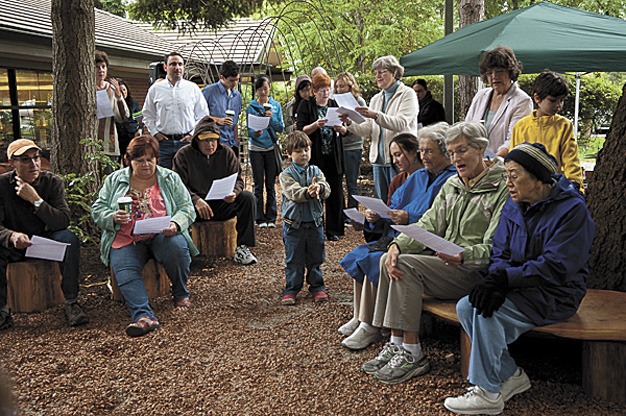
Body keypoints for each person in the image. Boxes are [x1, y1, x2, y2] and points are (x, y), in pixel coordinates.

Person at [443, 142, 595, 415]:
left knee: (487, 314)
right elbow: (500, 250)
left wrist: (506, 280)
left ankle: (488, 393)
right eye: (506, 176)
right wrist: (498, 279)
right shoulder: (514, 205)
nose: (508, 183)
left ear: (538, 179)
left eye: (514, 175)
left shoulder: (572, 210)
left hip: (556, 293)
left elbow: (557, 266)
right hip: (521, 286)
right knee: (467, 306)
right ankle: (511, 375)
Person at [362, 121, 509, 385]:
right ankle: (397, 343)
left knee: (405, 267)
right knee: (390, 257)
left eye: (462, 150)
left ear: (481, 148)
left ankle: (412, 352)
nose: (456, 158)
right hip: (445, 264)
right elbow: (429, 223)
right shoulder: (454, 184)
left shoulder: (500, 189)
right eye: (452, 153)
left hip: (472, 270)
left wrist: (463, 255)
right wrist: (398, 245)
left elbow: (494, 248)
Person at [339, 127, 456, 350]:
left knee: (376, 259)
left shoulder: (450, 180)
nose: (424, 157)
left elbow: (439, 218)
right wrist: (375, 216)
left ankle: (370, 325)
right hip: (397, 235)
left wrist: (408, 216)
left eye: (429, 151)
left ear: (445, 152)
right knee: (362, 253)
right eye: (422, 151)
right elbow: (393, 206)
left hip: (422, 241)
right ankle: (360, 314)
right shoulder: (418, 176)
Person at [91, 135, 197, 337]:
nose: (146, 164)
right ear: (128, 160)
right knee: (124, 269)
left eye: (150, 159)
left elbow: (187, 208)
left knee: (176, 247)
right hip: (126, 239)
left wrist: (175, 223)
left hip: (161, 234)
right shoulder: (115, 180)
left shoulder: (169, 178)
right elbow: (97, 209)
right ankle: (144, 316)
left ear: (157, 159)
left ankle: (181, 293)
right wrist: (112, 216)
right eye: (139, 160)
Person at [0, 139, 89, 330]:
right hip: (13, 245)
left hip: (43, 244)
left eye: (36, 158)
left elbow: (63, 221)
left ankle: (71, 302)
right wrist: (12, 236)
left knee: (69, 239)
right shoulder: (2, 186)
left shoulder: (52, 182)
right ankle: (2, 310)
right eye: (25, 160)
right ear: (11, 162)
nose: (33, 164)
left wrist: (36, 200)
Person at [172, 117, 258, 265]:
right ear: (196, 140)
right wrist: (196, 200)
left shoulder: (227, 153)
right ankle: (184, 251)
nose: (210, 144)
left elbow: (238, 179)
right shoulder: (183, 155)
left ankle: (242, 248)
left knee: (248, 198)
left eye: (213, 140)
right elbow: (177, 186)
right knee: (174, 208)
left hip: (221, 202)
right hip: (194, 207)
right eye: (205, 140)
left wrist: (234, 193)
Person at [342, 55, 419, 201]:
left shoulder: (408, 94)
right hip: (378, 160)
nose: (377, 76)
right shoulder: (376, 98)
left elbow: (400, 123)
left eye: (382, 72)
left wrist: (375, 115)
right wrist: (349, 122)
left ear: (394, 73)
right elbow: (367, 130)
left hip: (400, 159)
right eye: (375, 72)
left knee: (400, 202)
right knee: (382, 204)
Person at [279, 131, 331, 305]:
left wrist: (320, 189)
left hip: (315, 222)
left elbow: (326, 187)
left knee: (316, 257)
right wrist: (307, 192)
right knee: (294, 259)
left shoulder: (316, 171)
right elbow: (293, 192)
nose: (303, 154)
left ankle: (317, 287)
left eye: (306, 150)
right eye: (298, 151)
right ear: (289, 153)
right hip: (294, 225)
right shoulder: (286, 174)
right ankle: (291, 289)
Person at [510, 71, 583, 190]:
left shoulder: (564, 125)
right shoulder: (521, 126)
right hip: (526, 190)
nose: (559, 105)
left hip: (555, 190)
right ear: (537, 98)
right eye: (553, 100)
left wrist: (576, 189)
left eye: (562, 100)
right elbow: (514, 162)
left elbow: (571, 162)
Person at [296, 72, 345, 241]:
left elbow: (346, 129)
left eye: (328, 90)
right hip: (316, 154)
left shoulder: (335, 104)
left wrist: (341, 129)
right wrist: (316, 125)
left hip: (333, 154)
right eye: (322, 90)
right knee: (315, 189)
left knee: (335, 192)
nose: (326, 93)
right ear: (314, 91)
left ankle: (334, 230)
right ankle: (316, 228)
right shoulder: (306, 105)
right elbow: (301, 130)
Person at [142, 52, 209, 169]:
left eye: (180, 64)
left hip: (186, 143)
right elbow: (148, 115)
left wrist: (192, 135)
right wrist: (155, 134)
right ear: (165, 67)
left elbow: (203, 115)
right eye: (173, 64)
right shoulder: (155, 89)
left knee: (186, 180)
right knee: (163, 180)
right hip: (163, 144)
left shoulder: (193, 88)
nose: (177, 67)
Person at [465, 46, 532, 157]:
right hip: (474, 162)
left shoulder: (522, 101)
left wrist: (493, 162)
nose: (494, 76)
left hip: (501, 165)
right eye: (489, 73)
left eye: (499, 71)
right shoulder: (480, 96)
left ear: (510, 72)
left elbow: (513, 141)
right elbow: (466, 129)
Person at [246, 75, 285, 229]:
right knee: (258, 184)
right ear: (256, 90)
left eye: (265, 88)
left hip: (270, 148)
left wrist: (271, 119)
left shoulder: (275, 106)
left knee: (270, 184)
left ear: (269, 88)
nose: (263, 91)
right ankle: (259, 218)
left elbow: (280, 128)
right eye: (260, 88)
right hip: (255, 148)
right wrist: (256, 132)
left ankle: (271, 217)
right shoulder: (251, 107)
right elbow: (249, 131)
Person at [334, 72, 366, 215]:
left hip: (353, 146)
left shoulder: (359, 102)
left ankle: (352, 213)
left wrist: (346, 129)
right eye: (337, 86)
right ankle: (341, 212)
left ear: (350, 85)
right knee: (338, 181)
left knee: (351, 182)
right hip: (339, 146)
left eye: (342, 86)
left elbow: (363, 125)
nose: (339, 89)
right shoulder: (336, 101)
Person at [202, 60, 242, 156]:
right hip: (214, 143)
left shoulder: (237, 95)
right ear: (222, 77)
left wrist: (237, 142)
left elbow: (236, 121)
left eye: (237, 80)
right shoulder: (208, 92)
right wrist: (218, 120)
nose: (235, 83)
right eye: (232, 80)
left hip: (232, 144)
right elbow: (199, 116)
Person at [95, 50, 129, 158]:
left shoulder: (112, 89)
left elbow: (124, 117)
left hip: (109, 144)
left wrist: (119, 97)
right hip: (91, 144)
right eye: (97, 67)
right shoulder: (86, 89)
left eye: (103, 67)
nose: (101, 70)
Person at [115, 79, 142, 159]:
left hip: (131, 136)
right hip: (118, 138)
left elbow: (140, 120)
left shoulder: (134, 103)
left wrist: (140, 130)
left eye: (124, 89)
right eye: (120, 90)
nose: (122, 92)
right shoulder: (114, 103)